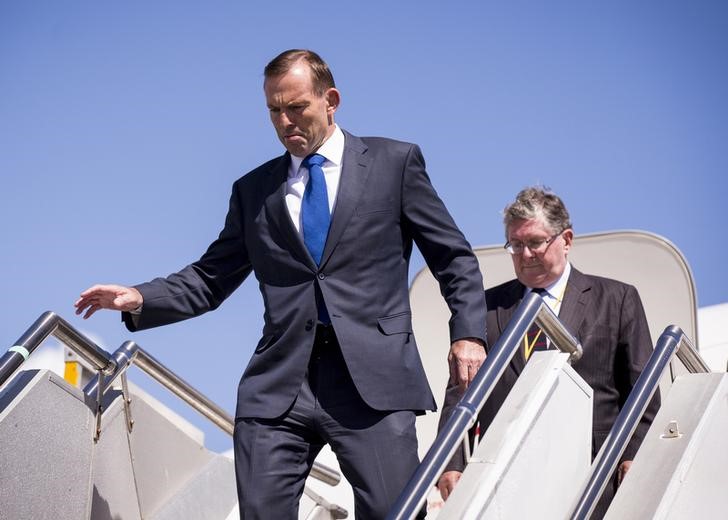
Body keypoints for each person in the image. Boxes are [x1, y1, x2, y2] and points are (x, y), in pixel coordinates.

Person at [74, 49, 487, 519]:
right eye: (274, 110)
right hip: (279, 387)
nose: (285, 120)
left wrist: (469, 333)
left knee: (394, 513)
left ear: (330, 100)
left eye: (297, 108)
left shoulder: (395, 163)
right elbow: (212, 277)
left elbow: (453, 256)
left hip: (372, 382)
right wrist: (141, 297)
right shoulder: (254, 190)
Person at [436, 186, 660, 518]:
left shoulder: (616, 299)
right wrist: (450, 462)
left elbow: (642, 391)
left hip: (593, 474)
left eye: (536, 242)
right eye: (516, 244)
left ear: (566, 239)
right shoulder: (484, 308)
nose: (525, 254)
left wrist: (634, 456)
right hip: (505, 478)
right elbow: (462, 389)